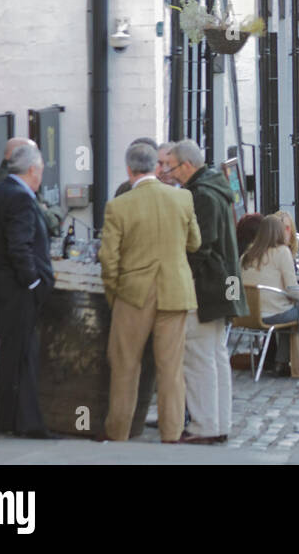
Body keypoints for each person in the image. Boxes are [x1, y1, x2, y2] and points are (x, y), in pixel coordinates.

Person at [99, 142, 201, 443]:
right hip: (175, 290)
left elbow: (109, 259)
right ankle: (171, 434)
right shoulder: (183, 198)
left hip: (133, 294)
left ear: (129, 170)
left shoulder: (119, 206)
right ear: (157, 167)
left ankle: (118, 433)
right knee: (171, 369)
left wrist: (113, 293)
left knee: (124, 366)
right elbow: (195, 242)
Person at [168, 138, 249, 444]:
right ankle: (218, 423)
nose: (171, 174)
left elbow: (200, 244)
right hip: (222, 283)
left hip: (207, 285)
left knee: (199, 356)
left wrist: (179, 270)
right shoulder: (214, 186)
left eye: (173, 167)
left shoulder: (200, 194)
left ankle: (205, 426)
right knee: (214, 356)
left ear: (187, 165)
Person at [0, 140, 55, 438]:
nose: (41, 177)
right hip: (17, 289)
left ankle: (9, 420)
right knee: (23, 355)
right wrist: (34, 282)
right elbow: (19, 245)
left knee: (11, 353)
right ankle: (28, 424)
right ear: (33, 169)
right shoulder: (21, 199)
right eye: (41, 171)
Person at [240, 216, 299, 375]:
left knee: (289, 308)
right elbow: (292, 288)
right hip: (272, 315)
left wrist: (233, 304)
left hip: (245, 315)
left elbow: (232, 280)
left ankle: (281, 362)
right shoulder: (282, 252)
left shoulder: (247, 254)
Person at [0, 136, 66, 242]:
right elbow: (47, 221)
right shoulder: (12, 188)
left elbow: (52, 207)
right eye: (32, 153)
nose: (37, 158)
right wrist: (48, 213)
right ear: (17, 155)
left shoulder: (17, 184)